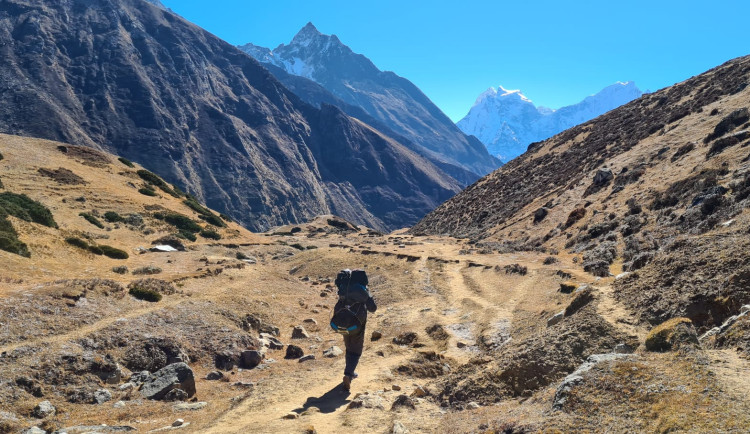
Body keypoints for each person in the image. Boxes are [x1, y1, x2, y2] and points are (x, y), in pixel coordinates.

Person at [332, 269, 377, 391]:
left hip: (343, 323)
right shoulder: (363, 291)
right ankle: (349, 374)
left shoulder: (344, 289)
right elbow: (373, 308)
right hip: (357, 325)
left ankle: (350, 372)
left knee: (349, 347)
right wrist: (368, 295)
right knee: (356, 350)